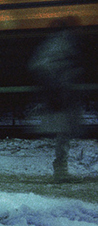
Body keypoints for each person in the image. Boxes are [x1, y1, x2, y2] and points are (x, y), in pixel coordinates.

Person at [28, 20, 83, 182]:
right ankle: (60, 170)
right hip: (61, 94)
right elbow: (43, 65)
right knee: (64, 132)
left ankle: (60, 170)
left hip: (59, 93)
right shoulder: (62, 42)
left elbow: (39, 64)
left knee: (63, 132)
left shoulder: (54, 43)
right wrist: (61, 80)